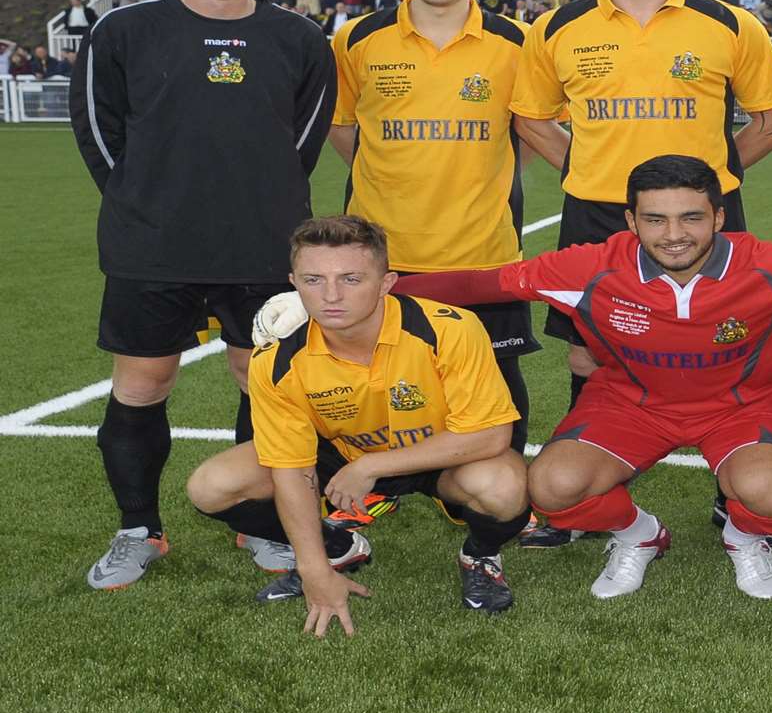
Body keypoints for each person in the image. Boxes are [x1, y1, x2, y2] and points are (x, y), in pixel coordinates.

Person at [272, 156, 772, 600]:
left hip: (740, 405)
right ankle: (639, 534)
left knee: (771, 493)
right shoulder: (588, 268)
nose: (673, 234)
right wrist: (366, 291)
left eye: (690, 218)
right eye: (655, 219)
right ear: (630, 219)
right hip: (631, 403)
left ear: (719, 215)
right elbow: (481, 283)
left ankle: (745, 536)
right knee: (551, 488)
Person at [69, 0, 335, 589]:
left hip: (263, 246)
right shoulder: (124, 30)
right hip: (152, 247)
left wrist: (261, 206)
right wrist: (143, 204)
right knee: (144, 383)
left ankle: (258, 523)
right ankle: (139, 530)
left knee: (263, 382)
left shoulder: (300, 38)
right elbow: (100, 134)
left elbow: (301, 143)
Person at [510, 0, 772, 521]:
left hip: (704, 221)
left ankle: (735, 489)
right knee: (587, 352)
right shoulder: (556, 27)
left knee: (728, 338)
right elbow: (530, 117)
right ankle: (598, 486)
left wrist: (712, 184)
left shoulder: (728, 24)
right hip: (598, 212)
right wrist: (588, 172)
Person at [185, 217, 529, 631]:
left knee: (504, 486)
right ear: (294, 282)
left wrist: (371, 466)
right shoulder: (275, 360)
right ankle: (338, 547)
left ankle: (480, 554)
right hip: (341, 451)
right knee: (212, 486)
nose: (331, 295)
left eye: (351, 278)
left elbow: (492, 434)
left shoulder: (448, 329)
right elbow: (290, 468)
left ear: (386, 283)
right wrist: (314, 569)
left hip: (439, 452)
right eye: (314, 279)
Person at [324, 0, 538, 521]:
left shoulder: (516, 43)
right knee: (371, 375)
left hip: (481, 248)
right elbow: (344, 129)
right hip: (382, 251)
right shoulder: (358, 39)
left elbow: (529, 131)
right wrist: (393, 177)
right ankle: (378, 489)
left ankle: (490, 496)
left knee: (495, 378)